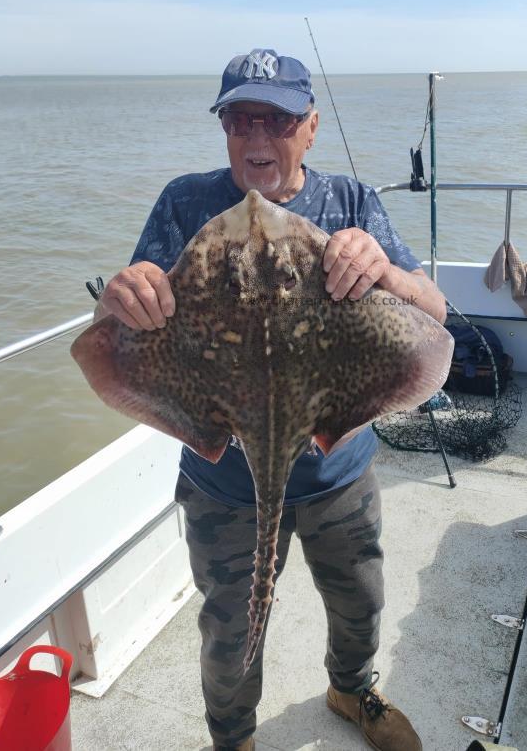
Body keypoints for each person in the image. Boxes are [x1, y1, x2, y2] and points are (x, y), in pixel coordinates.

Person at [95, 48, 447, 751]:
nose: (257, 138)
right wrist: (119, 298)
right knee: (229, 627)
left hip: (337, 471)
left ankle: (351, 690)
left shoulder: (350, 201)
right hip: (222, 483)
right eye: (239, 119)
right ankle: (232, 738)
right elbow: (122, 333)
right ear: (224, 127)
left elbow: (433, 316)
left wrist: (388, 276)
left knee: (359, 599)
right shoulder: (184, 202)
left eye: (278, 120)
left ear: (310, 126)